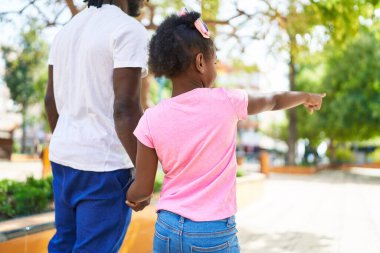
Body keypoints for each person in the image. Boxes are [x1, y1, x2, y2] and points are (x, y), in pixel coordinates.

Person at [126, 9, 326, 253]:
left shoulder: (151, 118)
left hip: (167, 229)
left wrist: (132, 197)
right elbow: (273, 99)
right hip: (211, 232)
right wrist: (306, 96)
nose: (216, 68)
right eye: (215, 62)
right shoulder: (227, 101)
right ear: (201, 62)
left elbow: (143, 189)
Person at [44, 0, 149, 252]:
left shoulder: (66, 31)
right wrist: (144, 177)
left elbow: (50, 101)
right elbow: (125, 108)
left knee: (63, 244)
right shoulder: (128, 29)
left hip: (63, 161)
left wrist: (70, 143)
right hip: (105, 168)